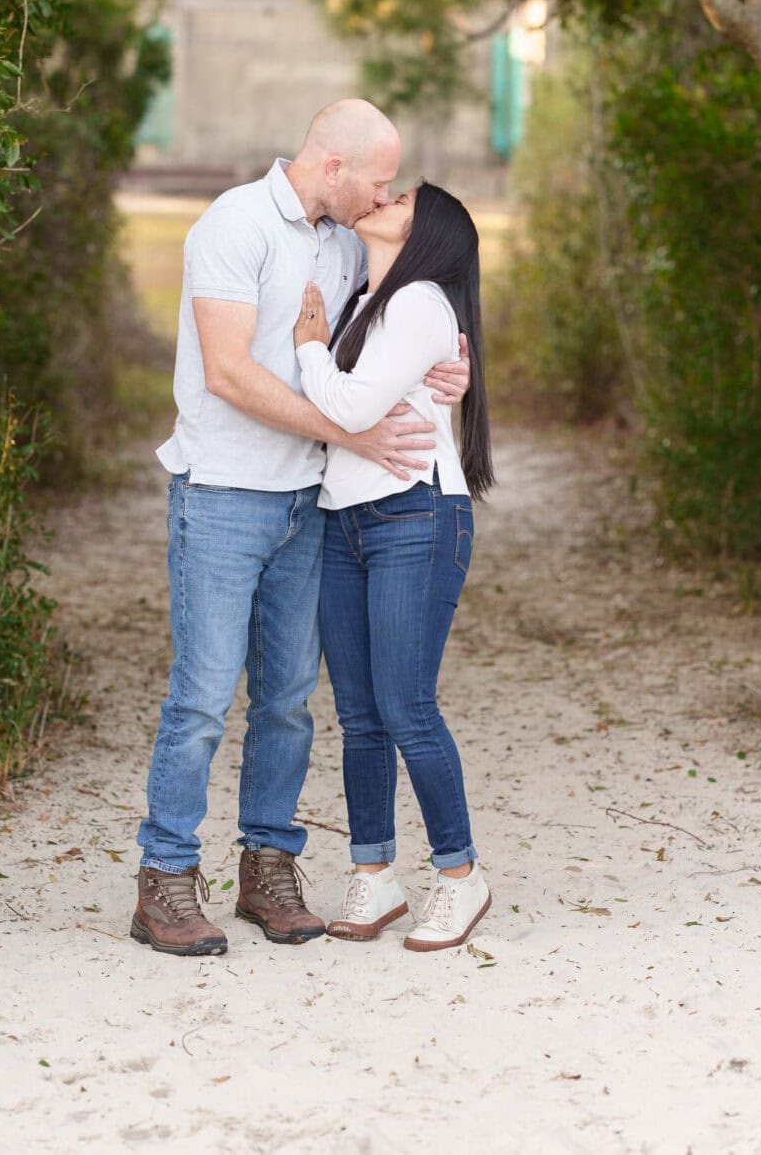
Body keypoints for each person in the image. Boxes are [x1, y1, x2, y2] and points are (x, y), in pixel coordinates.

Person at [131, 101, 469, 958]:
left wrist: (448, 367)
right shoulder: (233, 224)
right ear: (332, 168)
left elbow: (397, 321)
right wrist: (352, 433)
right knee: (203, 698)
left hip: (311, 503)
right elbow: (230, 372)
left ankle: (267, 865)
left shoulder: (351, 241)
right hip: (223, 493)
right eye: (379, 180)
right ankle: (166, 881)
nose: (385, 195)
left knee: (287, 703)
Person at [293, 181, 494, 952]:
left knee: (405, 705)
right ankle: (374, 873)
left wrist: (311, 348)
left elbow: (346, 410)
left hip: (414, 515)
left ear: (429, 233)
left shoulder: (418, 304)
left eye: (400, 196)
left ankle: (458, 875)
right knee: (360, 715)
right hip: (344, 517)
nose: (382, 198)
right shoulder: (365, 302)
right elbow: (349, 410)